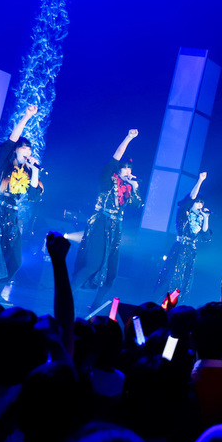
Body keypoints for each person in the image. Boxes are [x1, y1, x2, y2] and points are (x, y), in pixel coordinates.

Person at [0, 104, 41, 299]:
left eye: (30, 149)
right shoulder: (3, 163)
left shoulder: (26, 171)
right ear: (16, 150)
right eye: (24, 148)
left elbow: (33, 194)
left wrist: (35, 170)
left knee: (15, 261)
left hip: (12, 215)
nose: (27, 151)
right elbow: (11, 140)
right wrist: (27, 117)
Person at [73, 129, 143, 310]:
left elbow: (137, 204)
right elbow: (115, 158)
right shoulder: (108, 179)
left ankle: (95, 306)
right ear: (118, 169)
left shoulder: (128, 188)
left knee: (112, 274)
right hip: (100, 222)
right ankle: (67, 295)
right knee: (93, 265)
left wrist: (134, 187)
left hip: (116, 228)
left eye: (130, 168)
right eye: (125, 168)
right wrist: (128, 138)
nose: (128, 171)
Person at [154, 172, 210, 300]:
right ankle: (165, 300)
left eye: (202, 203)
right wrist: (200, 180)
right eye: (198, 202)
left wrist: (206, 218)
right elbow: (190, 198)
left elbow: (205, 236)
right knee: (173, 276)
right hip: (180, 248)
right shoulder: (183, 213)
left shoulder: (200, 218)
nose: (200, 205)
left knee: (185, 279)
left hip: (191, 251)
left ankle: (179, 301)